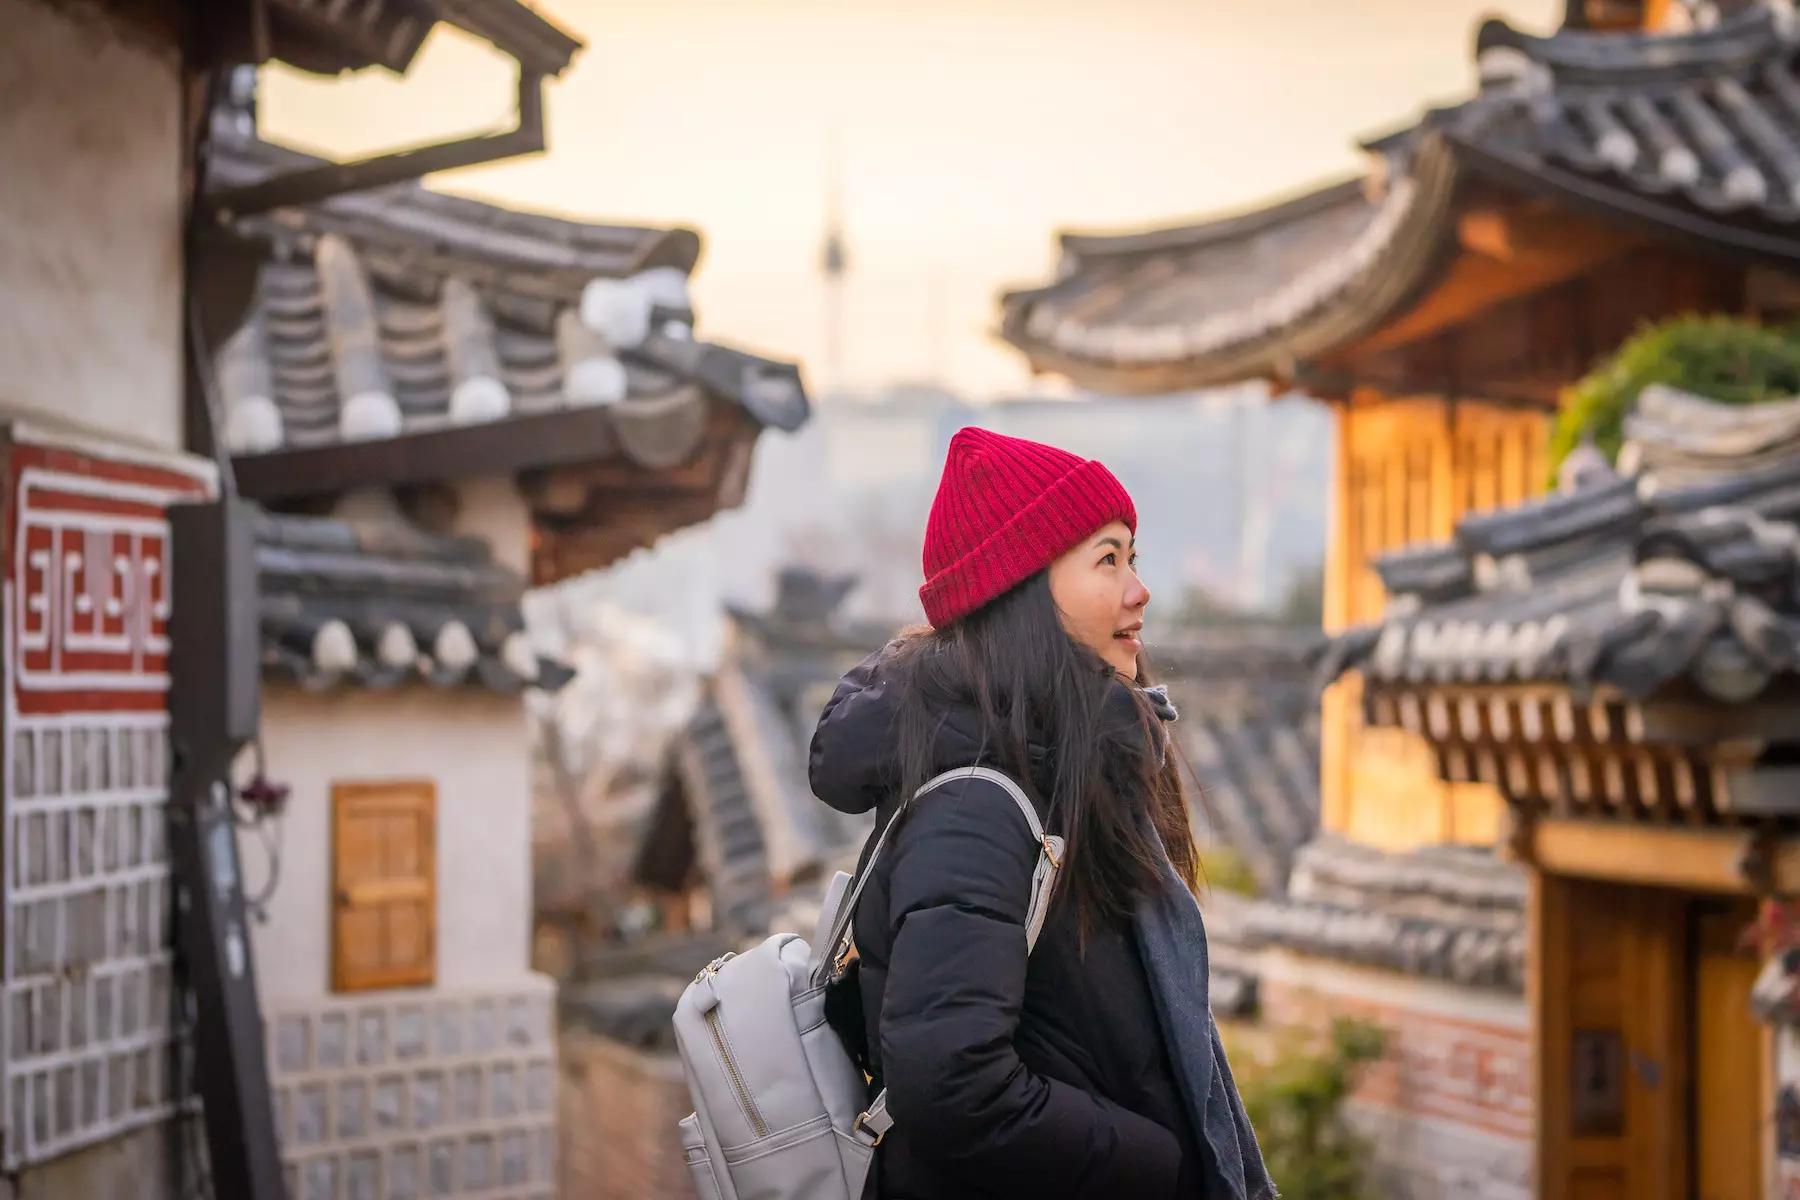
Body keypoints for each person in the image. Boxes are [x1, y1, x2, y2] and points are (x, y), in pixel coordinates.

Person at [808, 428, 1273, 1200]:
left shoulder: (1061, 769)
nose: (1139, 588)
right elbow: (950, 1086)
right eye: (1107, 559)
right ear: (1023, 588)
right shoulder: (976, 804)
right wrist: (1152, 1162)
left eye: (1134, 557)